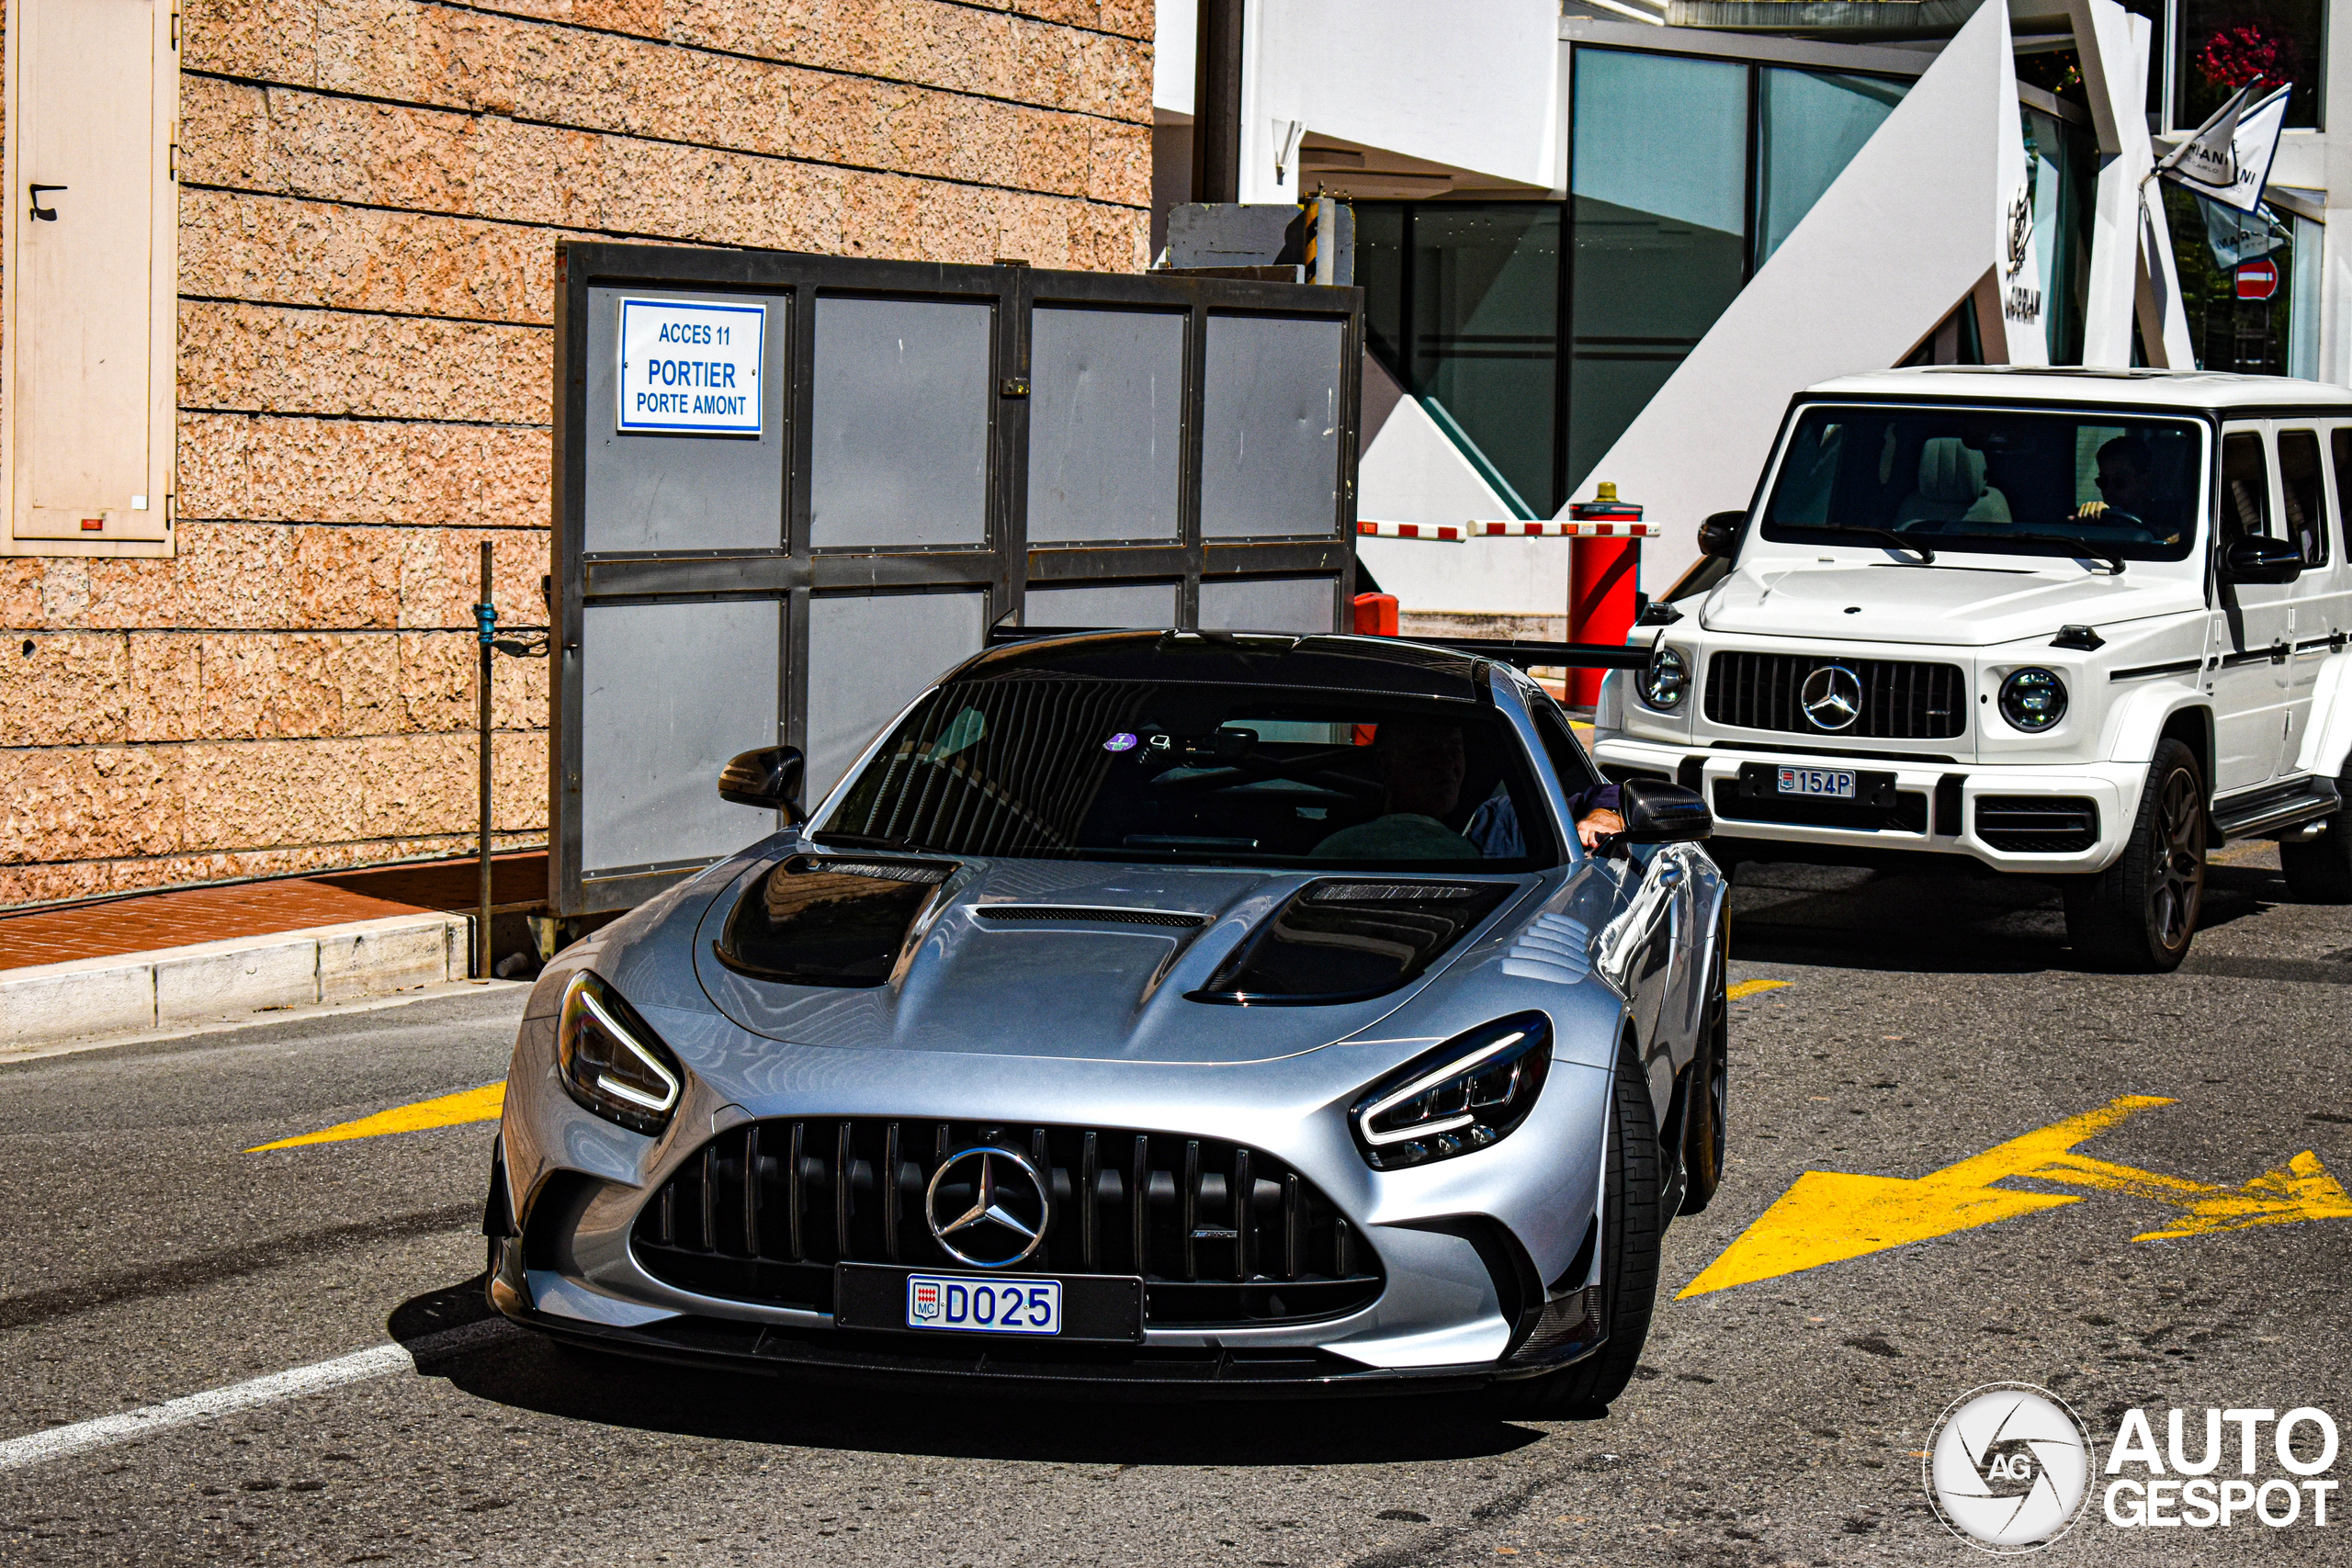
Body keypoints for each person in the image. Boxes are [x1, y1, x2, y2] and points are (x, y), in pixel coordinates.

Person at [1314, 721, 1624, 860]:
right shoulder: (1343, 845)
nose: (1447, 764)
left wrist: (1605, 816)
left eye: (1455, 750)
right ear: (1386, 761)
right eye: (1428, 751)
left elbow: (1611, 794)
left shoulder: (1509, 824)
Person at [2074, 435, 2172, 540]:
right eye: (2103, 481)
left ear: (2143, 481)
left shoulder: (2167, 519)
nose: (2108, 489)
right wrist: (2091, 516)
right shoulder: (2100, 523)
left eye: (2120, 481)